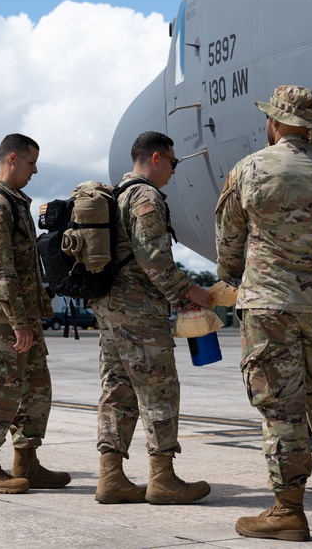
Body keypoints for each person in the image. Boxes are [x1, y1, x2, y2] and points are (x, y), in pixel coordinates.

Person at [216, 86, 312, 541]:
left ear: (275, 123)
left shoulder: (251, 168)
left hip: (269, 305)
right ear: (311, 127)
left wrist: (232, 277)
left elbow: (228, 241)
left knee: (281, 407)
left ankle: (288, 510)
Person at [91, 131, 212, 505]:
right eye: (173, 163)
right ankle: (162, 477)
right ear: (156, 158)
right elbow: (155, 261)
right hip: (138, 311)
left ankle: (110, 477)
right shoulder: (144, 197)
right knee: (158, 388)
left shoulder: (115, 194)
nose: (174, 171)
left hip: (111, 308)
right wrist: (193, 293)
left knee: (118, 390)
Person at [0, 133, 67, 494]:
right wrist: (17, 321)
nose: (35, 170)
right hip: (1, 320)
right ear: (12, 159)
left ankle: (26, 461)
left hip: (23, 316)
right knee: (1, 391)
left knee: (37, 388)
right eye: (31, 162)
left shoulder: (16, 202)